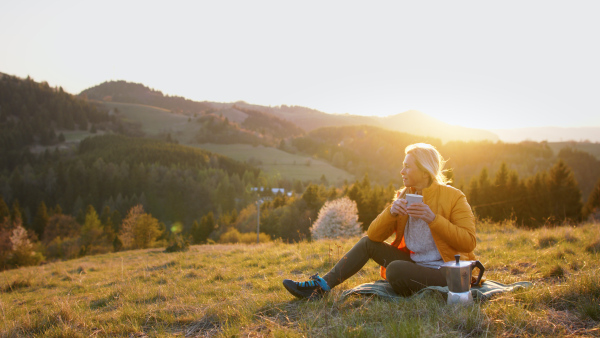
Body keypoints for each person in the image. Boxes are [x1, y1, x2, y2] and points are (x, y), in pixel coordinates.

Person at [283, 143, 477, 299]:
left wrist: (433, 219)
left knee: (395, 271)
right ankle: (321, 287)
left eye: (407, 166)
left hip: (447, 271)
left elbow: (468, 242)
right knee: (368, 244)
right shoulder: (404, 195)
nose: (402, 171)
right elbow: (373, 236)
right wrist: (391, 212)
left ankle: (415, 285)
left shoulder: (453, 197)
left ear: (425, 171)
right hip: (415, 264)